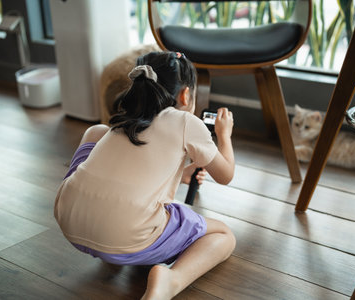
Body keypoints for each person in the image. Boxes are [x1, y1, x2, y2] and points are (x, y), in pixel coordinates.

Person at [54, 51, 236, 299]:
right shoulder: (185, 121)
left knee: (97, 131)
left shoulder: (124, 117)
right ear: (186, 95)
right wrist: (224, 135)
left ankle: (104, 225)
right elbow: (226, 175)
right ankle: (171, 280)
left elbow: (132, 163)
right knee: (223, 235)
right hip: (129, 237)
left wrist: (180, 174)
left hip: (69, 219)